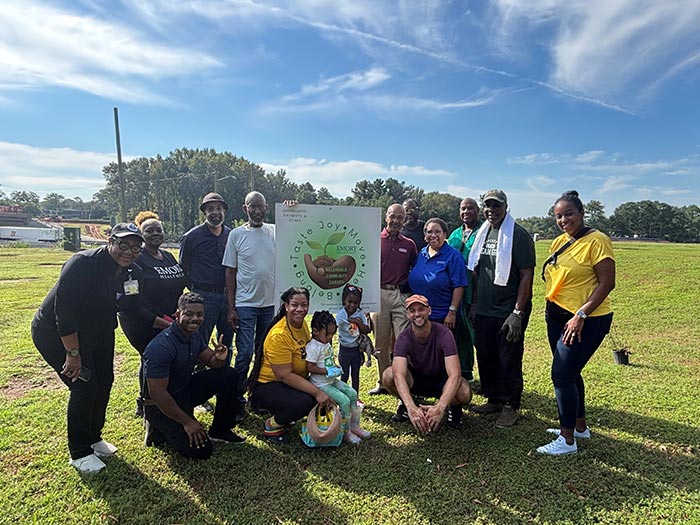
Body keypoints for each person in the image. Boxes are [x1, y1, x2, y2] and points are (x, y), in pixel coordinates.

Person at [31, 223, 148, 473]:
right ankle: (79, 452)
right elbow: (63, 312)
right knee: (84, 386)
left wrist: (170, 323)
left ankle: (94, 438)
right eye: (123, 244)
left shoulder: (132, 272)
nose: (129, 251)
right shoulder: (83, 264)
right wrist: (73, 354)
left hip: (99, 331)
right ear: (110, 241)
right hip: (56, 332)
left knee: (105, 380)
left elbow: (132, 307)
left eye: (136, 247)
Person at [537, 191, 615, 455]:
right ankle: (579, 426)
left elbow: (607, 283)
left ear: (581, 213)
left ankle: (567, 440)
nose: (563, 219)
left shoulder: (597, 240)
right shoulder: (559, 242)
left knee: (561, 374)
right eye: (558, 216)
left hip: (586, 319)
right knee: (570, 372)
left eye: (568, 213)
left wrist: (580, 315)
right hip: (557, 315)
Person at [142, 292, 245, 460]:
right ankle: (157, 427)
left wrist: (220, 357)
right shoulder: (161, 347)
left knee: (229, 374)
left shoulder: (194, 335)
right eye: (189, 314)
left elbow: (212, 362)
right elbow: (158, 394)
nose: (195, 319)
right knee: (201, 451)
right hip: (160, 403)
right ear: (177, 314)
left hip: (183, 391)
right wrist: (188, 422)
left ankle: (221, 429)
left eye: (200, 314)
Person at [468, 189, 535, 428]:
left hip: (508, 310)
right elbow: (476, 270)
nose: (491, 211)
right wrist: (475, 303)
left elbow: (527, 276)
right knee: (485, 354)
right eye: (487, 206)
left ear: (505, 207)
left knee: (509, 359)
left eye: (496, 206)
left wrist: (518, 312)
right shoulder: (482, 234)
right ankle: (494, 398)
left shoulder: (518, 235)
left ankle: (511, 405)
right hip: (485, 308)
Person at [119, 211, 187, 417]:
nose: (155, 233)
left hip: (169, 317)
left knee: (160, 358)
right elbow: (135, 300)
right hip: (143, 320)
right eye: (149, 230)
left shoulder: (167, 256)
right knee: (151, 357)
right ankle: (146, 403)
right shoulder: (137, 261)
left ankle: (161, 398)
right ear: (141, 235)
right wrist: (164, 320)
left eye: (159, 230)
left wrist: (177, 311)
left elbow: (177, 283)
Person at [248, 287, 332, 444]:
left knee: (321, 394)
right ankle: (270, 426)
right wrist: (317, 392)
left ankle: (287, 415)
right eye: (294, 305)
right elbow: (284, 375)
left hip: (290, 382)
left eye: (304, 305)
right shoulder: (279, 335)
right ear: (286, 306)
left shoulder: (303, 325)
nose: (300, 309)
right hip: (269, 386)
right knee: (307, 401)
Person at [382, 295, 472, 431]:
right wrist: (411, 407)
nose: (417, 314)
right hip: (416, 379)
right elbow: (398, 375)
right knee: (388, 375)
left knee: (464, 392)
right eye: (412, 311)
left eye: (421, 309)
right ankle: (408, 405)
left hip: (442, 379)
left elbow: (455, 375)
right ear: (407, 315)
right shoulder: (404, 337)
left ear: (429, 311)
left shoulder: (444, 334)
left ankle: (452, 407)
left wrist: (440, 407)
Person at [223, 191, 276, 418]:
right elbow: (230, 272)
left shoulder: (275, 231)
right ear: (245, 209)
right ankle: (236, 400)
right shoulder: (236, 235)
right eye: (251, 206)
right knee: (244, 353)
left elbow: (298, 229)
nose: (256, 210)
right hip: (245, 304)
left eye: (260, 206)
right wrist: (231, 307)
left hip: (270, 305)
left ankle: (257, 396)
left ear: (266, 208)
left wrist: (292, 209)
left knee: (263, 353)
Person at [368, 204, 417, 396]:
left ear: (404, 220)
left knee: (402, 343)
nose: (396, 221)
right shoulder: (374, 240)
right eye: (392, 216)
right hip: (378, 294)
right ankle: (383, 382)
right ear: (386, 217)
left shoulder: (409, 244)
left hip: (399, 296)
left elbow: (415, 269)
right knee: (380, 343)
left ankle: (401, 382)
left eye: (400, 217)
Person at [179, 192, 233, 361]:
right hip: (204, 296)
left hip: (228, 296)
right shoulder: (191, 237)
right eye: (210, 209)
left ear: (224, 211)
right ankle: (199, 374)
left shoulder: (232, 236)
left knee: (227, 340)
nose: (215, 212)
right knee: (199, 339)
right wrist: (197, 289)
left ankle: (223, 374)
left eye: (219, 208)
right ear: (204, 213)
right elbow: (183, 268)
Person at [305, 310, 371, 445]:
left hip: (331, 380)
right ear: (316, 331)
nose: (330, 337)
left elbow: (328, 361)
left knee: (352, 394)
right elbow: (310, 367)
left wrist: (335, 368)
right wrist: (327, 371)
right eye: (327, 334)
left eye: (332, 334)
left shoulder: (326, 343)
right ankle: (345, 432)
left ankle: (354, 426)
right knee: (345, 401)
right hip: (321, 384)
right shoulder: (313, 347)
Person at [408, 218, 467, 330]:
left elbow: (459, 286)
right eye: (429, 232)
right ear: (424, 235)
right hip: (419, 316)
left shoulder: (453, 256)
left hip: (442, 317)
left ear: (445, 234)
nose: (433, 235)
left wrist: (452, 312)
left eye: (437, 232)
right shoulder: (422, 253)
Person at [447, 198, 482, 382]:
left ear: (478, 210)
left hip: (476, 293)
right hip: (455, 293)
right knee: (460, 335)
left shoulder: (484, 231)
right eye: (463, 208)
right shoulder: (455, 234)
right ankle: (462, 373)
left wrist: (476, 300)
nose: (466, 211)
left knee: (476, 337)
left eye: (470, 208)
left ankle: (484, 378)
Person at [336, 284, 372, 394]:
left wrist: (357, 322)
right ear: (344, 300)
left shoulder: (360, 315)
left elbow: (367, 330)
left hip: (357, 350)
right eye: (349, 301)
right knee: (344, 374)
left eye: (355, 303)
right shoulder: (341, 314)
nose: (352, 305)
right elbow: (335, 327)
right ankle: (342, 396)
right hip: (344, 350)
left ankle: (355, 397)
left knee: (355, 374)